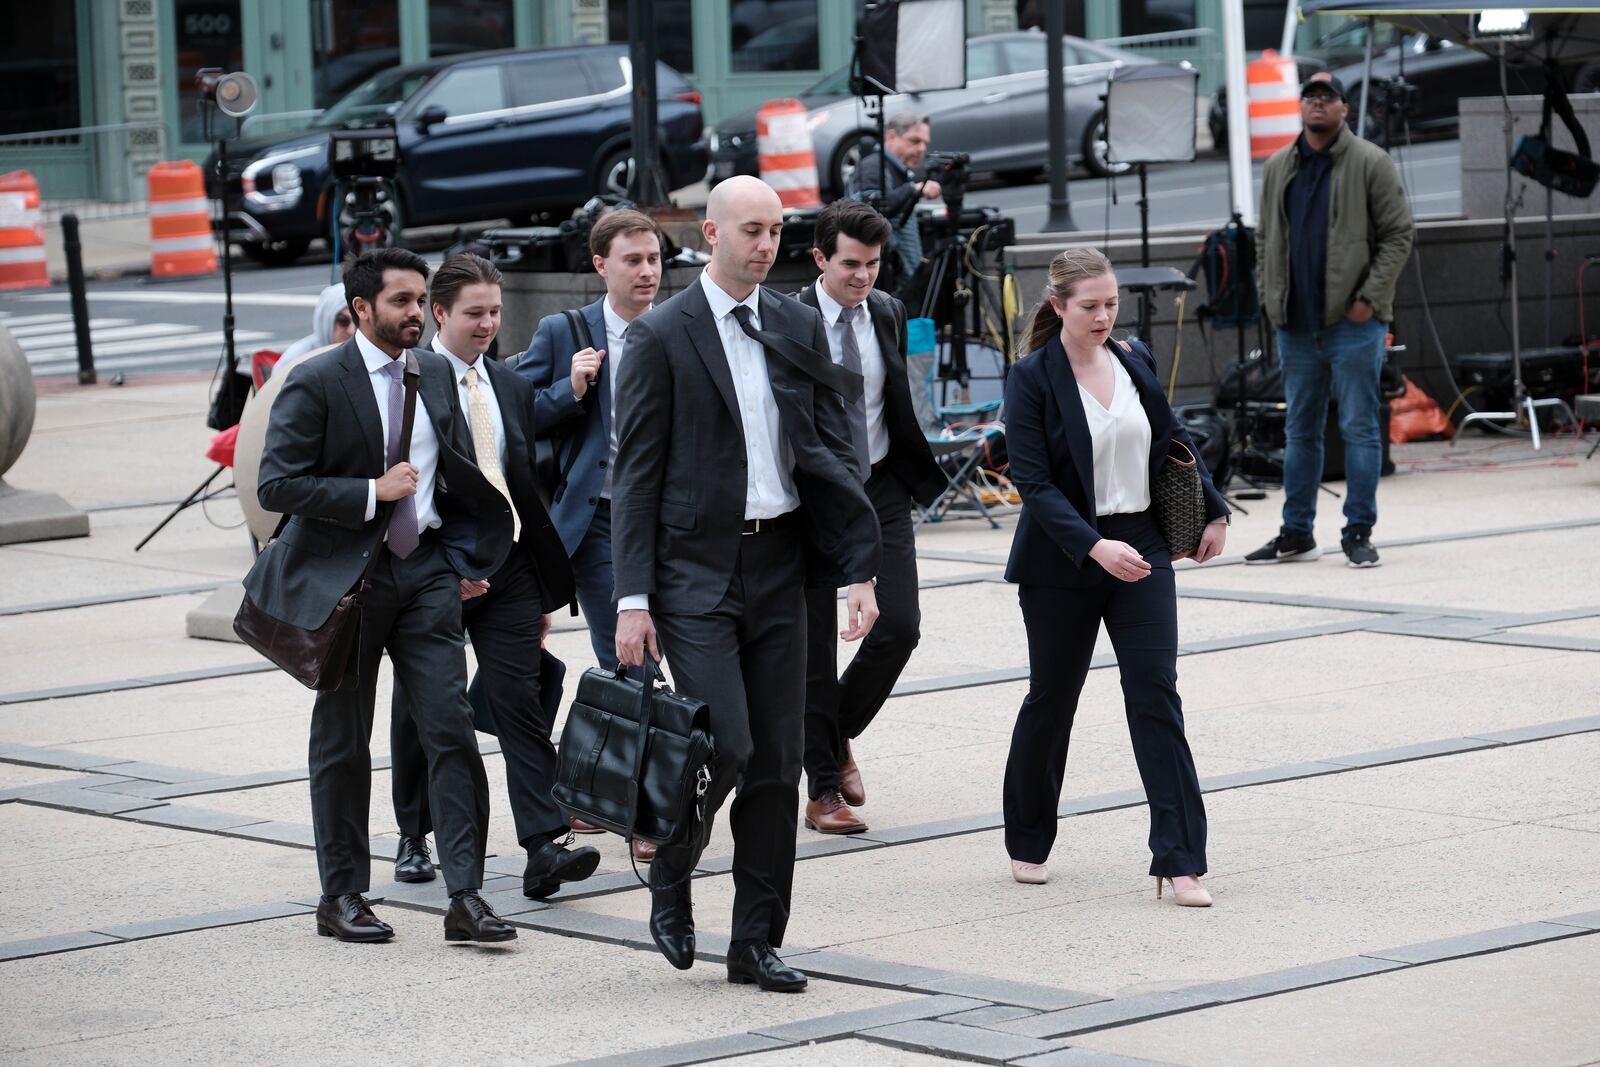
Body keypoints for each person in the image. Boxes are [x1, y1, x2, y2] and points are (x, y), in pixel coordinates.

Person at [611, 175, 883, 992]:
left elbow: (832, 448)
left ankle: (756, 941)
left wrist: (856, 565)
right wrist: (632, 599)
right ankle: (671, 869)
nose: (765, 244)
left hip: (784, 567)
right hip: (695, 574)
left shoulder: (798, 323)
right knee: (726, 742)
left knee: (778, 765)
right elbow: (636, 477)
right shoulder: (663, 334)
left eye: (776, 230)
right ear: (710, 233)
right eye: (751, 230)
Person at [247, 247, 518, 945]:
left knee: (450, 729)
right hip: (348, 583)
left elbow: (457, 475)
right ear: (361, 308)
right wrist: (371, 492)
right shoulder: (316, 381)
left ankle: (468, 897)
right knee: (342, 740)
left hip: (424, 572)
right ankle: (341, 894)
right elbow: (276, 484)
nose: (412, 313)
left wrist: (463, 557)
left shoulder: (433, 374)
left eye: (418, 299)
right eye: (399, 301)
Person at [1001, 247, 1229, 907]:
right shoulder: (1033, 377)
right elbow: (1033, 483)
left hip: (1144, 545)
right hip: (1063, 556)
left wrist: (1211, 509)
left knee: (1156, 693)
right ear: (1058, 306)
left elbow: (1172, 436)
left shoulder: (1134, 360)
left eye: (1110, 304)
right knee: (1053, 698)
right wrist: (1094, 546)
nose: (1103, 316)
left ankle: (1181, 859)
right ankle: (1028, 837)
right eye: (1090, 306)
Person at [385, 253, 591, 901]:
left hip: (510, 567)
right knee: (426, 707)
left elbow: (519, 481)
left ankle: (542, 846)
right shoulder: (409, 381)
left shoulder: (510, 383)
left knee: (520, 699)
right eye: (474, 312)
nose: (487, 324)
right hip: (437, 572)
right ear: (438, 312)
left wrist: (535, 574)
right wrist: (446, 567)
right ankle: (413, 833)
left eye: (496, 312)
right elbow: (410, 488)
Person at [515, 207, 664, 861]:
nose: (647, 271)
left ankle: (589, 787)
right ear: (600, 264)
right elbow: (508, 411)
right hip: (599, 521)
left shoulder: (677, 328)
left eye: (655, 258)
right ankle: (643, 809)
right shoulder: (564, 330)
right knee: (630, 658)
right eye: (632, 260)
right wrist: (568, 390)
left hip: (671, 521)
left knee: (648, 663)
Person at [795, 199, 944, 835]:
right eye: (850, 264)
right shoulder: (787, 318)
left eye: (873, 264)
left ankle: (830, 735)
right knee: (811, 649)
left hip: (881, 485)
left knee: (900, 626)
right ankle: (823, 788)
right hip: (808, 494)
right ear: (820, 258)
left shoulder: (887, 310)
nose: (863, 277)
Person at [1249, 72, 1414, 569]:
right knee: (1299, 431)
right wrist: (1268, 291)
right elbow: (1264, 240)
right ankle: (1296, 532)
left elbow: (1398, 235)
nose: (1318, 104)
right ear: (1301, 107)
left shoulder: (1370, 161)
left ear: (1344, 108)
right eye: (1310, 97)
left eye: (1328, 97)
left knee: (1360, 428)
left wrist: (1368, 299)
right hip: (1294, 325)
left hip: (1353, 324)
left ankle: (1358, 530)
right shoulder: (1280, 165)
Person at [847, 111, 941, 289]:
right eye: (914, 141)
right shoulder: (872, 167)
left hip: (900, 282)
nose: (922, 149)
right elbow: (870, 210)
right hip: (884, 283)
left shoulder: (898, 171)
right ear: (891, 137)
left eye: (925, 143)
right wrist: (914, 189)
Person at [273, 283, 354, 376]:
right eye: (342, 321)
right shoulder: (297, 359)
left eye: (357, 321)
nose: (352, 330)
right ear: (325, 322)